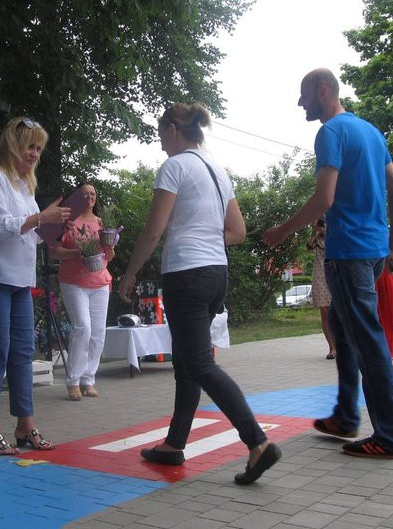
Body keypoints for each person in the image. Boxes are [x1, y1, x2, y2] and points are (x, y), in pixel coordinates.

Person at [118, 102, 281, 485]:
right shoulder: (217, 170)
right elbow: (238, 232)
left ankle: (257, 443)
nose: (160, 142)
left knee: (200, 365)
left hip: (187, 275)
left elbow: (153, 231)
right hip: (215, 273)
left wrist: (128, 274)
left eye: (160, 133)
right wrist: (204, 234)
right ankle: (174, 445)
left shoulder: (174, 167)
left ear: (174, 128)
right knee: (189, 362)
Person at [263, 68, 393, 459]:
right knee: (345, 335)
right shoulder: (371, 132)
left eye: (304, 95)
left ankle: (392, 437)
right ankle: (346, 415)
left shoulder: (330, 133)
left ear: (323, 91)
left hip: (347, 254)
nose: (300, 103)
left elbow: (324, 199)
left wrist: (282, 231)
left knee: (368, 343)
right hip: (374, 251)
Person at [0, 116, 71, 456]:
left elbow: (30, 235)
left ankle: (26, 425)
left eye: (39, 148)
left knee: (22, 352)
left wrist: (54, 227)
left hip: (18, 278)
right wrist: (42, 218)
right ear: (13, 145)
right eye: (30, 146)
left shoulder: (24, 186)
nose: (35, 153)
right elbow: (2, 227)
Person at [50, 183, 114, 401]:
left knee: (98, 332)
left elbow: (109, 257)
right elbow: (53, 253)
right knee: (83, 328)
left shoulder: (102, 223)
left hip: (100, 282)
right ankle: (73, 381)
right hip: (74, 282)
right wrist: (77, 254)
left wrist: (111, 248)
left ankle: (89, 379)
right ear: (77, 197)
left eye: (93, 193)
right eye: (85, 194)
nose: (89, 197)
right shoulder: (67, 222)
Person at [308, 218, 335, 359]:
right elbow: (308, 246)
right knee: (324, 311)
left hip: (335, 272)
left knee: (337, 310)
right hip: (320, 274)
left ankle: (343, 345)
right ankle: (332, 347)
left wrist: (325, 231)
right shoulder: (317, 236)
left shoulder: (333, 233)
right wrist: (315, 232)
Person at [376, 268, 393, 359]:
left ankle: (390, 348)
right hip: (369, 271)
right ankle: (379, 348)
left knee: (389, 312)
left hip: (385, 272)